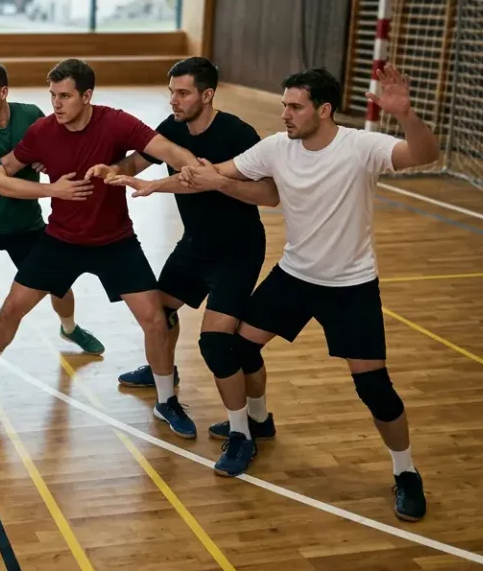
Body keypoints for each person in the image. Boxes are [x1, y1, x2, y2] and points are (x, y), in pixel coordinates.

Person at [163, 64, 438, 521]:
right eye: (283, 105)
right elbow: (212, 174)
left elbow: (424, 154)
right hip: (294, 276)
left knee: (375, 389)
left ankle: (406, 472)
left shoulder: (361, 147)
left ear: (324, 110)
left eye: (294, 107)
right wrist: (152, 183)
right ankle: (259, 420)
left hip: (351, 287)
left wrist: (406, 114)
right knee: (237, 346)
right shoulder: (276, 147)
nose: (285, 114)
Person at [0, 59, 203, 441]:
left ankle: (166, 400)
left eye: (64, 96)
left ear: (87, 96)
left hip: (115, 241)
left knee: (154, 319)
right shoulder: (42, 131)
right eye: (52, 95)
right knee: (10, 309)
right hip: (60, 240)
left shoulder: (116, 122)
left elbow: (167, 148)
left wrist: (194, 171)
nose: (56, 103)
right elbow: (4, 168)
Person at [103, 57, 279, 476]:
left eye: (182, 93)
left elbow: (270, 194)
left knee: (218, 344)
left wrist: (220, 183)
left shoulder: (238, 134)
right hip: (195, 246)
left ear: (207, 95)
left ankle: (243, 433)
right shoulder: (172, 128)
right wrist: (114, 171)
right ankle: (161, 365)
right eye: (171, 92)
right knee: (157, 315)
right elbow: (136, 163)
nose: (174, 100)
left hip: (237, 251)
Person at [0, 61, 105, 401]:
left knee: (61, 285)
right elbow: (1, 182)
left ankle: (69, 329)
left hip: (27, 224)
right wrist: (50, 185)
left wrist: (45, 161)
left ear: (4, 92)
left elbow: (54, 150)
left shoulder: (32, 115)